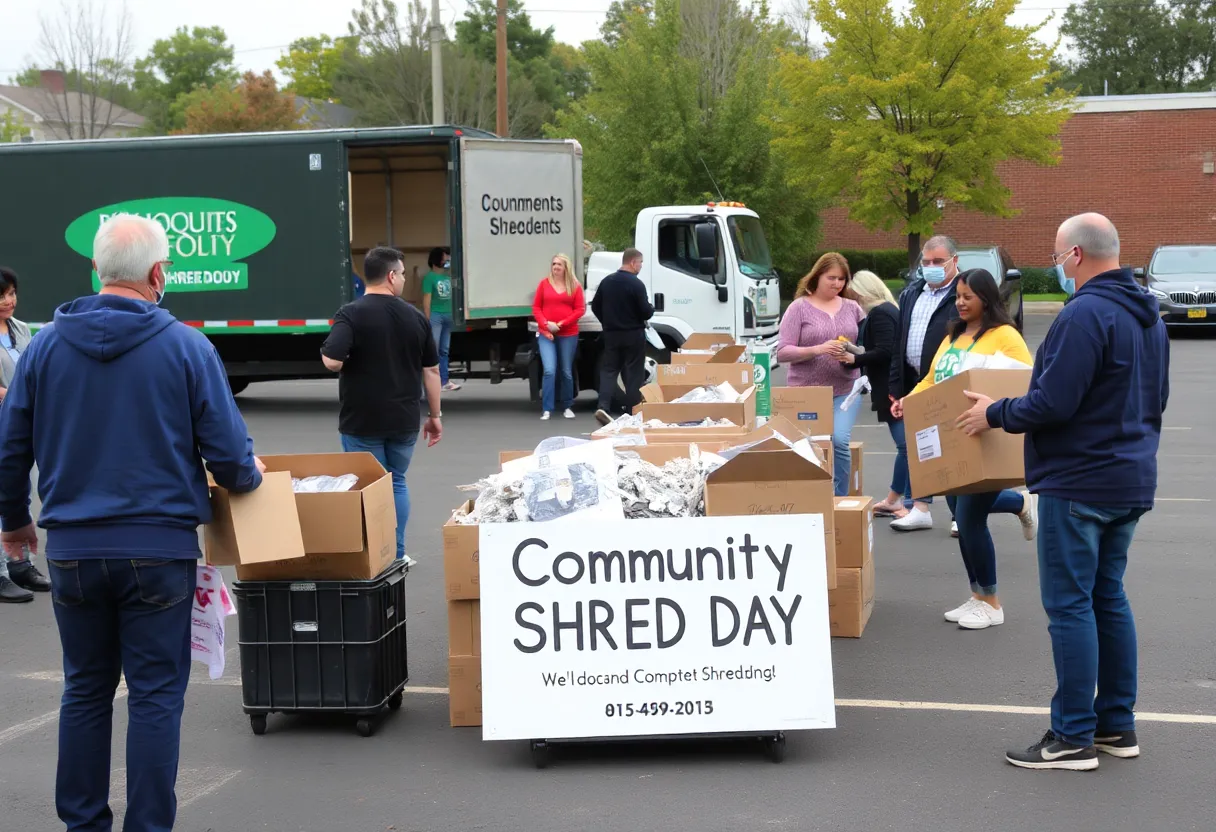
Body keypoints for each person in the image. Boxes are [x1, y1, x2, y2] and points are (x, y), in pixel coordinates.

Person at [0, 214, 265, 831]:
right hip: (159, 550)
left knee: (86, 690)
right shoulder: (187, 347)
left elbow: (10, 449)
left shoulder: (41, 348)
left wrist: (16, 524)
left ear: (95, 271)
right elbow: (229, 457)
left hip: (71, 551)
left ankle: (83, 824)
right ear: (157, 273)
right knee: (153, 697)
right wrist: (250, 478)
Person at [958, 214, 1169, 770]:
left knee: (1071, 606)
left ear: (1075, 255)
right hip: (1129, 477)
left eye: (1057, 253)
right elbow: (1156, 398)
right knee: (1108, 599)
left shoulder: (1084, 314)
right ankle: (1115, 726)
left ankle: (1072, 734)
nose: (1055, 262)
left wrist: (994, 412)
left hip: (1077, 481)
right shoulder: (1149, 317)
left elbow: (1053, 402)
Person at [892, 269, 1038, 630]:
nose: (959, 302)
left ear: (985, 299)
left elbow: (1027, 378)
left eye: (967, 297)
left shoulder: (1005, 336)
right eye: (957, 296)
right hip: (952, 437)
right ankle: (977, 594)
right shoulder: (954, 335)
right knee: (958, 510)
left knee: (970, 521)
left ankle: (991, 601)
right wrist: (910, 400)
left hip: (986, 434)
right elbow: (932, 377)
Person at [322, 246, 443, 562]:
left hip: (361, 420)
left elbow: (332, 361)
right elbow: (430, 371)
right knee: (397, 482)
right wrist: (435, 415)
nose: (403, 278)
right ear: (391, 276)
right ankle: (398, 554)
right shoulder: (415, 317)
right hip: (403, 420)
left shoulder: (351, 313)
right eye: (402, 273)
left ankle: (373, 556)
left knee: (368, 487)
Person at [777, 253, 866, 498]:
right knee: (808, 445)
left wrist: (854, 354)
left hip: (845, 389)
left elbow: (869, 347)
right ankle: (804, 496)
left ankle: (840, 499)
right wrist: (818, 349)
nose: (837, 284)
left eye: (842, 279)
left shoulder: (853, 308)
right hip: (806, 392)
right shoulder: (799, 308)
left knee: (838, 440)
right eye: (832, 278)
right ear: (817, 277)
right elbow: (782, 352)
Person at [889, 236, 962, 533]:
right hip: (914, 381)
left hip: (949, 378)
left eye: (938, 262)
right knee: (923, 446)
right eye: (926, 262)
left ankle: (960, 514)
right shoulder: (911, 293)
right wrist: (896, 387)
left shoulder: (963, 292)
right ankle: (920, 507)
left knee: (955, 447)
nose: (931, 268)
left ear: (954, 261)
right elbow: (900, 341)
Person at [0, 266, 48, 603]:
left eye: (12, 293)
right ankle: (0, 575)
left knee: (20, 492)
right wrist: (13, 395)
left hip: (17, 425)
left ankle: (20, 565)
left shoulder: (20, 330)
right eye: (2, 295)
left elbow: (34, 373)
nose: (8, 301)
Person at [845, 270, 907, 517]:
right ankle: (906, 499)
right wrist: (856, 352)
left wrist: (855, 357)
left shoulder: (880, 313)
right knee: (909, 447)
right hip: (892, 386)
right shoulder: (889, 310)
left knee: (906, 447)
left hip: (889, 388)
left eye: (855, 293)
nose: (854, 298)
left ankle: (900, 499)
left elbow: (884, 350)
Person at [591, 248, 653, 426]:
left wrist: (607, 322)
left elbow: (595, 306)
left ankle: (603, 405)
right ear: (633, 262)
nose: (640, 266)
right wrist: (651, 308)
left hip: (611, 335)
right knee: (634, 372)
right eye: (640, 263)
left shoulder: (607, 282)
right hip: (633, 335)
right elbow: (645, 312)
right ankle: (633, 410)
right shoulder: (636, 284)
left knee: (610, 370)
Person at [532, 253, 586, 421]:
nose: (555, 267)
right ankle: (547, 408)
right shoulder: (544, 284)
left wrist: (561, 323)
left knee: (566, 371)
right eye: (554, 264)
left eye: (559, 265)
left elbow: (580, 310)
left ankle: (567, 405)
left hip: (568, 334)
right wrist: (546, 324)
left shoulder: (574, 286)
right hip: (546, 333)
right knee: (549, 370)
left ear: (566, 268)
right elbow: (536, 307)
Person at [421, 246, 460, 392]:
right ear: (436, 260)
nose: (447, 261)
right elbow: (427, 301)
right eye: (445, 259)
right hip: (436, 316)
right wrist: (427, 319)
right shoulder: (429, 278)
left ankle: (444, 381)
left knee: (444, 350)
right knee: (434, 350)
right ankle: (431, 383)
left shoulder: (447, 277)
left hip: (448, 315)